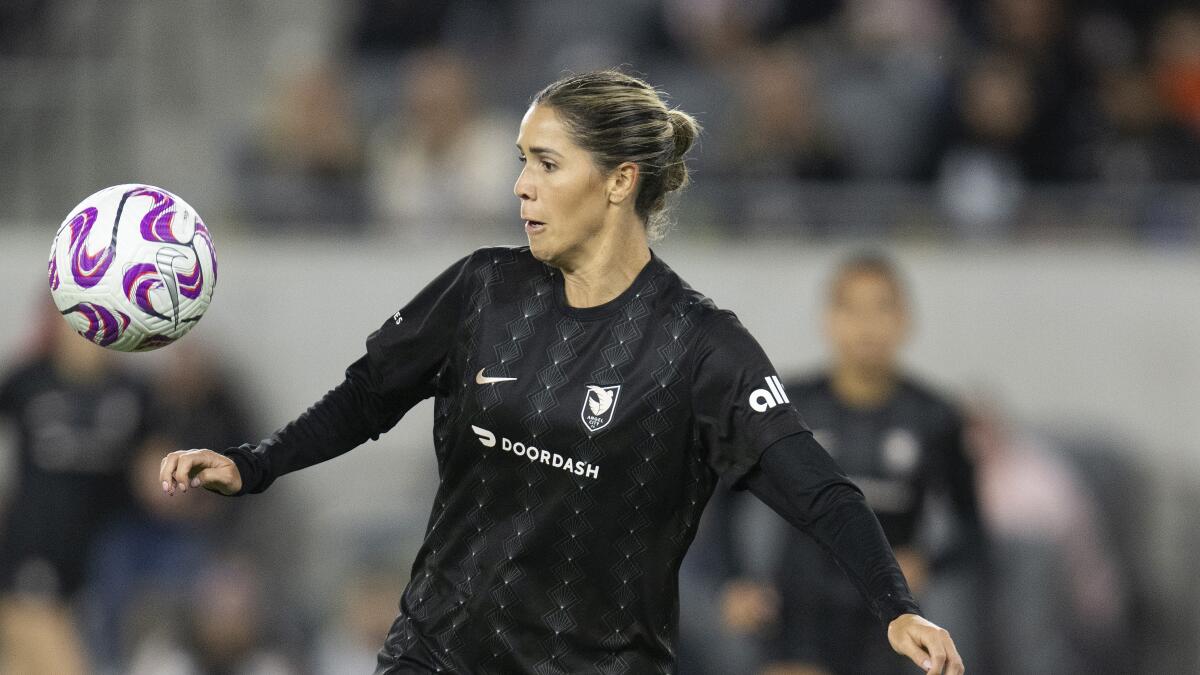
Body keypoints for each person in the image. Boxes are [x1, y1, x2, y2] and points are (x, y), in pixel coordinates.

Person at [159, 70, 964, 674]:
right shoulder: (482, 287)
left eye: (546, 163)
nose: (521, 185)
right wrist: (252, 463)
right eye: (521, 161)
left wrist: (896, 607)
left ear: (619, 180)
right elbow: (367, 396)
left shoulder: (702, 347)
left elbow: (819, 489)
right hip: (436, 653)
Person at [754, 254, 986, 675]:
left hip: (889, 618)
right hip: (801, 614)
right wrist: (736, 579)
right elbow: (721, 493)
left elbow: (972, 528)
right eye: (852, 308)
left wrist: (927, 561)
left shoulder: (934, 417)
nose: (867, 324)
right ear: (828, 318)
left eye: (882, 307)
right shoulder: (789, 405)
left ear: (905, 320)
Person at [0, 302, 157, 674]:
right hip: (35, 548)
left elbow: (155, 467)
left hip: (104, 555)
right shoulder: (29, 380)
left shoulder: (133, 391)